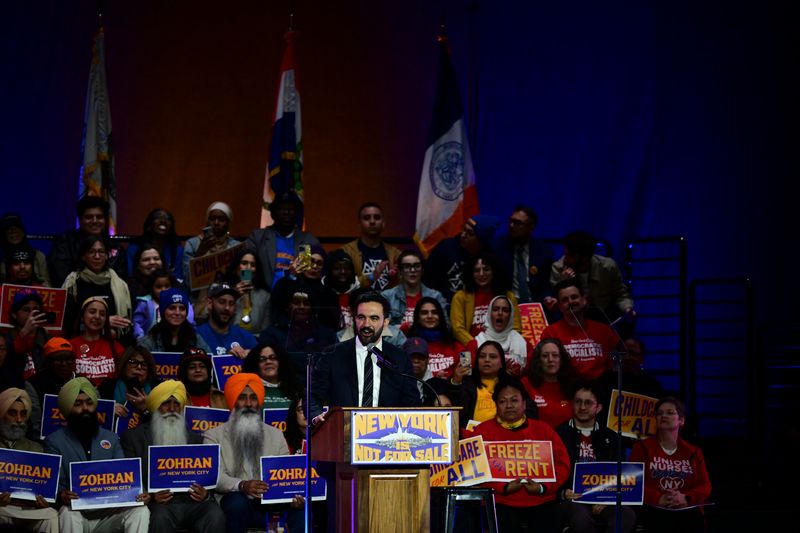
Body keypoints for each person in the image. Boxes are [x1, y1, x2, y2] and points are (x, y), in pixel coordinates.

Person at [44, 377, 150, 532]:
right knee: (67, 513)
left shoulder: (111, 438)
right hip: (77, 511)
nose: (85, 408)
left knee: (140, 511)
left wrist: (141, 492)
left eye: (89, 402)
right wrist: (62, 494)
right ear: (67, 409)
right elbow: (54, 483)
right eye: (78, 404)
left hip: (108, 513)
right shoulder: (54, 441)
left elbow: (126, 474)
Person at [203, 373, 304, 533]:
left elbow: (285, 474)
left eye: (253, 398)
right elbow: (215, 476)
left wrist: (291, 496)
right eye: (242, 397)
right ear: (233, 401)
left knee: (301, 509)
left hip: (270, 500)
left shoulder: (276, 434)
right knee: (237, 503)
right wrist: (242, 485)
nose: (249, 403)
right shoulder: (213, 435)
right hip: (236, 500)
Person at [120, 380, 225, 533]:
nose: (172, 409)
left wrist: (205, 494)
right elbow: (129, 480)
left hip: (193, 503)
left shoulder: (195, 439)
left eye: (177, 404)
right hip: (159, 504)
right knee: (159, 517)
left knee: (215, 514)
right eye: (166, 403)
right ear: (155, 407)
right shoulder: (133, 437)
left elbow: (206, 477)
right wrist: (151, 496)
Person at [472, 378, 571, 532]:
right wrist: (503, 487)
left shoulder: (543, 430)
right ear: (496, 405)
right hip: (499, 500)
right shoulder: (482, 432)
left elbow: (562, 464)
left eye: (514, 400)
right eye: (503, 401)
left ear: (524, 403)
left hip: (541, 499)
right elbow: (475, 470)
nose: (509, 405)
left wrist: (542, 487)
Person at [310, 292, 421, 421]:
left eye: (374, 318)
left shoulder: (400, 359)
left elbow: (412, 403)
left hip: (386, 434)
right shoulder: (333, 354)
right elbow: (313, 396)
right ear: (354, 319)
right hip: (344, 432)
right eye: (361, 317)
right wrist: (316, 416)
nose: (366, 324)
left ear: (385, 322)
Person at [555, 382, 636, 533]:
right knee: (581, 518)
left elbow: (620, 474)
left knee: (626, 516)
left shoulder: (611, 437)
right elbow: (551, 472)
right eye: (578, 402)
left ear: (598, 407)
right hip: (572, 499)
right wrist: (563, 492)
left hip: (604, 499)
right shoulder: (559, 434)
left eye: (588, 403)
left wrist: (608, 498)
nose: (582, 407)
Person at [629, 396, 712, 533]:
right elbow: (632, 483)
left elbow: (705, 485)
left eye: (670, 412)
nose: (664, 416)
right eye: (660, 413)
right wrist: (658, 498)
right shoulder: (642, 448)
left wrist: (685, 497)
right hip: (653, 509)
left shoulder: (694, 452)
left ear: (682, 420)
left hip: (686, 510)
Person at [547, 230, 635, 329]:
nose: (565, 259)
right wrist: (564, 281)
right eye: (565, 254)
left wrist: (627, 309)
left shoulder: (607, 267)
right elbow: (555, 299)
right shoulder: (559, 267)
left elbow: (620, 294)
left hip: (604, 318)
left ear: (584, 258)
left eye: (570, 255)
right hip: (572, 318)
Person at [0, 388, 59, 533]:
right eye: (12, 413)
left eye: (23, 414)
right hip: (2, 509)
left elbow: (46, 488)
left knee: (51, 516)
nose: (19, 420)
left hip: (29, 509)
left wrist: (45, 502)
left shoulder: (36, 448)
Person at [540, 279, 621, 381]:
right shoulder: (550, 333)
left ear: (584, 300)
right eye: (565, 300)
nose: (570, 302)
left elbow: (615, 365)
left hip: (602, 387)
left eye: (574, 297)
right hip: (566, 389)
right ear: (560, 307)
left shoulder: (604, 331)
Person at [448, 339, 532, 430]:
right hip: (473, 437)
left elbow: (531, 410)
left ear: (501, 363)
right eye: (482, 356)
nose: (487, 360)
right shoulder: (466, 382)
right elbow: (455, 412)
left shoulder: (512, 383)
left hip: (505, 435)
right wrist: (455, 383)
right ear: (476, 361)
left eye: (493, 357)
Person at [61, 235, 133, 339]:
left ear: (107, 255)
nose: (97, 256)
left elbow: (126, 321)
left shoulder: (119, 283)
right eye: (92, 252)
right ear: (83, 256)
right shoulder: (73, 282)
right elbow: (69, 321)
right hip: (81, 339)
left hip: (114, 340)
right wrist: (104, 322)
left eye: (101, 252)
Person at [245, 191, 320, 290]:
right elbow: (244, 266)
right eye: (281, 209)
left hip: (295, 298)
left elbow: (309, 276)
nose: (286, 213)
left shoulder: (307, 241)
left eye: (291, 209)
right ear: (273, 213)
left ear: (297, 213)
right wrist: (245, 287)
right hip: (262, 296)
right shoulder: (258, 237)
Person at [48, 196, 128, 288]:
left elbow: (121, 281)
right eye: (89, 217)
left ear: (105, 220)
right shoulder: (64, 243)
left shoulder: (116, 248)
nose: (94, 221)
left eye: (99, 217)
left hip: (108, 297)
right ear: (80, 219)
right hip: (74, 296)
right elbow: (60, 278)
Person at [450, 252, 521, 346]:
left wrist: (501, 347)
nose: (481, 274)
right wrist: (478, 345)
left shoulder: (509, 296)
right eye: (476, 270)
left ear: (494, 271)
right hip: (468, 347)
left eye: (486, 269)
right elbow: (457, 330)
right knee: (464, 360)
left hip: (502, 348)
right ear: (471, 273)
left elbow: (516, 328)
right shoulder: (460, 297)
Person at [424, 214, 499, 302]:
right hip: (444, 306)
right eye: (464, 229)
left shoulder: (490, 257)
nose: (463, 235)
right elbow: (428, 282)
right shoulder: (446, 248)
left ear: (481, 240)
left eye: (470, 233)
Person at [491, 204, 554, 304]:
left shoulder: (543, 251)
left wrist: (547, 297)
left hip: (535, 305)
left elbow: (546, 284)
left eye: (517, 223)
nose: (511, 226)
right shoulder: (497, 248)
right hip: (506, 305)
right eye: (511, 221)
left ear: (531, 227)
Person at [270, 245, 340, 331]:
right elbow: (277, 305)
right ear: (302, 262)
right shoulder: (286, 283)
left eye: (319, 263)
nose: (314, 267)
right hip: (286, 334)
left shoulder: (329, 294)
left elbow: (331, 325)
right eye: (311, 261)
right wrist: (292, 276)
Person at [381, 249, 449, 334]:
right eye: (407, 266)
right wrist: (404, 327)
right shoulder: (387, 297)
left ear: (422, 270)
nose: (412, 270)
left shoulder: (435, 297)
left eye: (416, 266)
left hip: (428, 343)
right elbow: (381, 329)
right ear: (400, 271)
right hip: (398, 344)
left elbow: (446, 327)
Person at [466, 294, 533, 376]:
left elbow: (533, 375)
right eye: (495, 309)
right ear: (489, 314)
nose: (500, 313)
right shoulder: (472, 344)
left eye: (505, 310)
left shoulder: (525, 344)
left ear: (511, 316)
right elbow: (464, 372)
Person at [340, 202, 401, 290]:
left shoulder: (396, 254)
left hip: (389, 303)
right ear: (359, 224)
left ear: (383, 223)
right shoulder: (346, 252)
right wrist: (372, 276)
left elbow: (406, 286)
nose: (372, 221)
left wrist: (395, 279)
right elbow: (342, 284)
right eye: (367, 218)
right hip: (357, 302)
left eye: (377, 217)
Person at [69, 296, 124, 387]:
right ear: (82, 317)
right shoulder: (71, 345)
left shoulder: (115, 346)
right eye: (92, 312)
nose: (97, 316)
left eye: (102, 314)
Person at [182, 201, 241, 284]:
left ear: (228, 223)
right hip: (197, 295)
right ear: (207, 221)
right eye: (212, 219)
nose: (216, 223)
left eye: (221, 219)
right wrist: (200, 252)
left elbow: (244, 275)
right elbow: (186, 280)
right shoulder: (192, 244)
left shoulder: (236, 246)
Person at [521, 338, 576, 428]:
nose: (550, 359)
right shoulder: (526, 384)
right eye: (545, 356)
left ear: (561, 360)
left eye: (555, 355)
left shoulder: (573, 385)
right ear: (538, 360)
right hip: (536, 439)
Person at [407, 296, 464, 379]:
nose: (430, 316)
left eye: (434, 312)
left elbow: (467, 371)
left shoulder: (456, 346)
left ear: (440, 316)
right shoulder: (410, 345)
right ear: (417, 318)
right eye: (424, 313)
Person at [139, 288, 211, 353]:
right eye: (172, 308)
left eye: (182, 308)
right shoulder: (149, 341)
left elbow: (209, 362)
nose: (177, 313)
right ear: (163, 311)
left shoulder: (195, 340)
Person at [99, 345, 160, 420]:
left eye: (144, 364)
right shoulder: (107, 387)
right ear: (124, 365)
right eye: (133, 362)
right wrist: (108, 410)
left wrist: (146, 409)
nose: (139, 367)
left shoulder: (158, 389)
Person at [132, 269, 196, 339]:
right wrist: (140, 337)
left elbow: (190, 322)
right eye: (158, 287)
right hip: (150, 343)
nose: (163, 289)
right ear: (151, 287)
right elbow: (137, 323)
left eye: (167, 286)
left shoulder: (182, 301)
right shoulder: (145, 303)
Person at [197, 282, 257, 357]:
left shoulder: (246, 337)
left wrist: (250, 357)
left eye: (231, 303)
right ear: (210, 303)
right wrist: (227, 359)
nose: (227, 308)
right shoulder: (198, 335)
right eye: (222, 302)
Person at [5, 287, 49, 381]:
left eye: (35, 309)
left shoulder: (46, 337)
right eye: (26, 310)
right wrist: (24, 333)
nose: (31, 314)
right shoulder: (6, 339)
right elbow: (9, 368)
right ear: (14, 314)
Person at [241, 342, 302, 409]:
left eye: (273, 358)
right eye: (262, 359)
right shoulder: (247, 390)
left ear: (281, 361)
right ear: (255, 365)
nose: (268, 362)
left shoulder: (295, 389)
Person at [126, 208, 184, 279]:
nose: (163, 220)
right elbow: (130, 276)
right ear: (149, 226)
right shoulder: (134, 249)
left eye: (168, 219)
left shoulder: (177, 250)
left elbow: (178, 278)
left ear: (171, 228)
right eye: (157, 217)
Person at [224, 247, 270, 333]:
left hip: (253, 341)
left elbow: (265, 330)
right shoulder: (223, 289)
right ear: (236, 267)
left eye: (252, 265)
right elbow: (219, 322)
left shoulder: (265, 296)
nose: (248, 268)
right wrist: (233, 295)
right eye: (244, 263)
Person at [0, 213, 50, 286]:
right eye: (8, 228)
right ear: (3, 234)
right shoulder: (1, 258)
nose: (13, 231)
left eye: (17, 227)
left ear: (23, 232)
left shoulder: (38, 255)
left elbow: (47, 284)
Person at [320, 249, 361, 332]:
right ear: (329, 272)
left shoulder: (361, 294)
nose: (343, 272)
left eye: (347, 268)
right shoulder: (320, 294)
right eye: (337, 268)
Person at [29, 337, 77, 405]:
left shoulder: (86, 385)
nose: (64, 364)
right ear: (48, 362)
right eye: (58, 359)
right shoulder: (34, 385)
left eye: (68, 359)